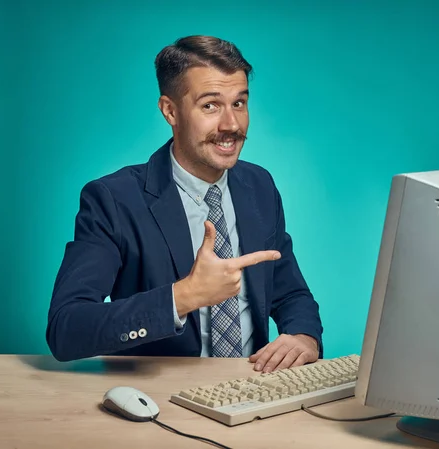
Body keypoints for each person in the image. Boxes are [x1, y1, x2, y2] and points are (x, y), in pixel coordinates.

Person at [46, 35, 323, 373]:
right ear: (170, 111)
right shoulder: (113, 199)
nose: (231, 125)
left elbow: (291, 292)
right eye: (210, 105)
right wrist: (184, 297)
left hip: (254, 387)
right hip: (163, 399)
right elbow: (66, 328)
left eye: (239, 103)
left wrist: (304, 336)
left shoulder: (259, 186)